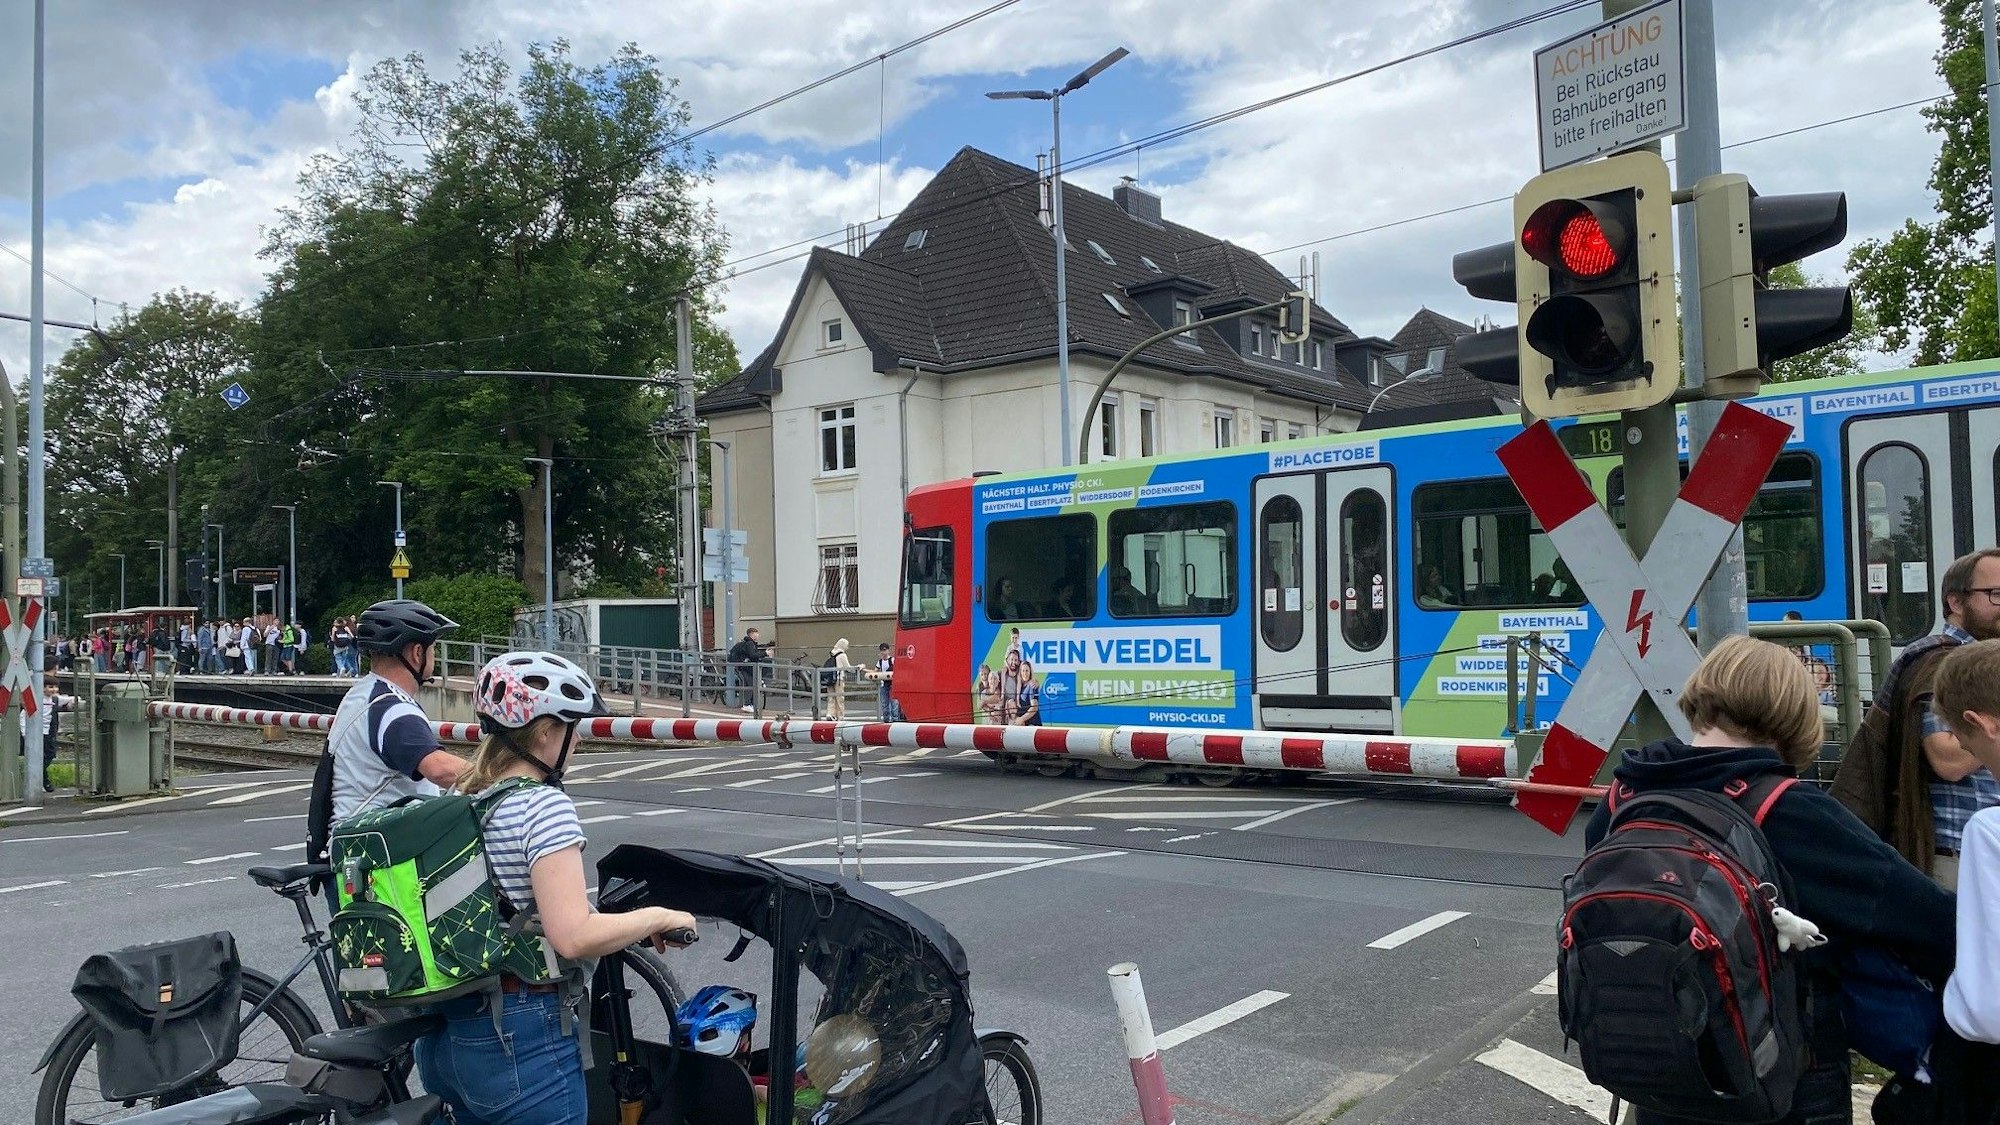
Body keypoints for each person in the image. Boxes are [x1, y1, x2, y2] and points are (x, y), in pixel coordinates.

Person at [1585, 636, 1955, 1125]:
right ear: (1796, 713)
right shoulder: (1791, 810)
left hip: (1662, 1067)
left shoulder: (1623, 797)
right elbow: (1930, 920)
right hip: (1782, 1079)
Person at [411, 650, 700, 1124]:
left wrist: (623, 928)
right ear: (545, 732)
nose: (578, 741)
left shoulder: (461, 797)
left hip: (448, 1036)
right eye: (572, 727)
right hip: (520, 1039)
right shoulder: (543, 808)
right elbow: (573, 935)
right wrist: (663, 916)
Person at [1833, 548, 2000, 888]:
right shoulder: (1941, 661)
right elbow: (1947, 758)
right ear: (1955, 602)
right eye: (1996, 594)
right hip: (1958, 855)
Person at [322, 600, 470, 823]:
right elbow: (440, 769)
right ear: (417, 653)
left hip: (358, 840)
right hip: (378, 850)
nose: (435, 656)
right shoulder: (393, 708)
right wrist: (505, 781)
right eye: (433, 648)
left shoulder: (364, 692)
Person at [726, 627, 770, 714]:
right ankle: (747, 704)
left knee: (750, 684)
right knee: (751, 684)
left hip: (745, 667)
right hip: (746, 668)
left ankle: (751, 705)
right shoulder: (750, 643)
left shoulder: (748, 643)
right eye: (756, 633)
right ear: (752, 634)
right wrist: (765, 653)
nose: (758, 635)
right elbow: (753, 655)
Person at [865, 642, 898, 721]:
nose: (883, 652)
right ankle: (886, 719)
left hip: (893, 684)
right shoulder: (880, 662)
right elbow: (874, 671)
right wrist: (864, 669)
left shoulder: (892, 660)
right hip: (884, 684)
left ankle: (895, 719)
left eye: (884, 650)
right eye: (882, 650)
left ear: (888, 650)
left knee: (894, 703)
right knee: (884, 703)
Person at [823, 638, 855, 720]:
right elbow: (848, 668)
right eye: (847, 645)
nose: (847, 647)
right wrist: (859, 667)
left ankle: (830, 713)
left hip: (829, 678)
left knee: (831, 697)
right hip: (839, 679)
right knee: (839, 697)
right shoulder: (842, 655)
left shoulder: (832, 653)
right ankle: (840, 716)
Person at [1010, 659, 1041, 726]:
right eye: (1023, 671)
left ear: (1030, 672)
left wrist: (1022, 719)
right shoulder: (1020, 687)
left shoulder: (1032, 685)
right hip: (1024, 725)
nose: (1025, 673)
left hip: (1033, 725)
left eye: (1027, 671)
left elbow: (1034, 707)